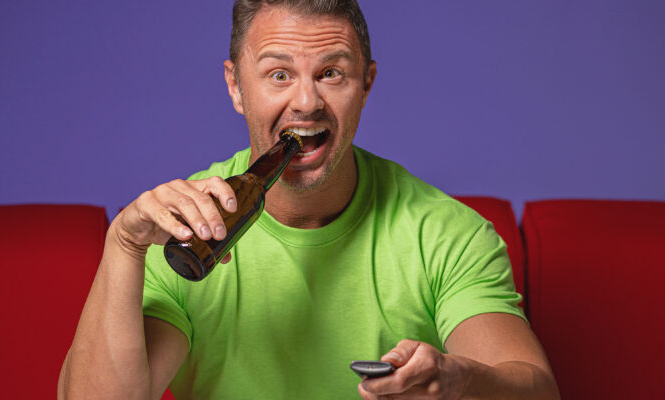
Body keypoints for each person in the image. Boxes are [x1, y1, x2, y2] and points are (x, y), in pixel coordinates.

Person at [58, 0, 560, 398]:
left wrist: (460, 382)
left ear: (366, 84)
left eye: (331, 73)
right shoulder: (186, 227)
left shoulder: (446, 232)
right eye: (279, 74)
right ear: (236, 87)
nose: (305, 102)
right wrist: (125, 245)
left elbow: (535, 390)